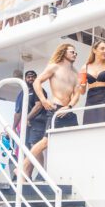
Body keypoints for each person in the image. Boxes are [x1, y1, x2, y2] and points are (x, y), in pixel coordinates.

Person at [24, 44, 80, 179]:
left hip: (68, 111)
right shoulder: (54, 67)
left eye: (76, 53)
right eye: (72, 52)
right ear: (64, 52)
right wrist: (43, 100)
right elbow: (37, 82)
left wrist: (70, 106)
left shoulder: (76, 72)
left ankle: (64, 172)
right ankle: (23, 167)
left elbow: (77, 93)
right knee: (45, 142)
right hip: (56, 109)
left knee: (74, 142)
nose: (75, 54)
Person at [78, 40, 105, 125]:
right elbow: (82, 92)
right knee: (88, 127)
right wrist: (79, 85)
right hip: (91, 100)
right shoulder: (85, 67)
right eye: (102, 49)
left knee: (104, 126)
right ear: (94, 50)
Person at [13, 70, 48, 150]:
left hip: (38, 124)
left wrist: (27, 118)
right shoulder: (22, 93)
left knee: (34, 147)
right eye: (28, 77)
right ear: (25, 79)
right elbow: (18, 111)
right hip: (26, 126)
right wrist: (13, 127)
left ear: (36, 78)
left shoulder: (39, 90)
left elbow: (38, 105)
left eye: (33, 77)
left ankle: (38, 163)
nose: (31, 78)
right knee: (25, 148)